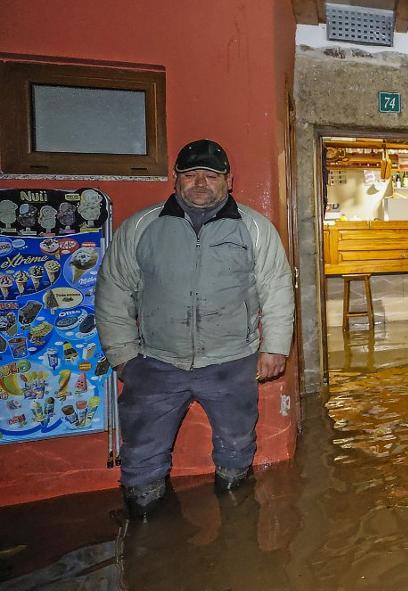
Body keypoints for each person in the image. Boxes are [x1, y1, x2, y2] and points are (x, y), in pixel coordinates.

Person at [96, 139, 295, 519]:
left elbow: (277, 288)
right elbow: (114, 289)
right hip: (156, 362)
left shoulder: (254, 228)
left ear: (229, 181)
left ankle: (237, 523)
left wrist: (275, 348)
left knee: (237, 448)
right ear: (176, 179)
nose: (200, 182)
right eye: (190, 175)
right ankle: (147, 529)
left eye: (211, 175)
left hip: (232, 362)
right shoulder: (142, 227)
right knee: (141, 455)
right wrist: (122, 355)